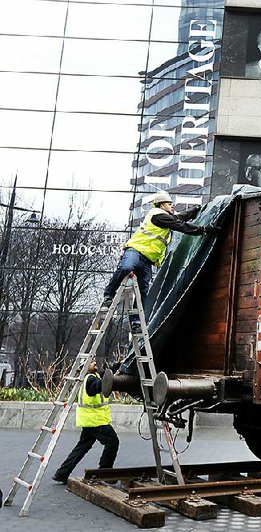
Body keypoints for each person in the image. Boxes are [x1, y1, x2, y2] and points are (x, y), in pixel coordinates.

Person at [101, 191, 217, 332]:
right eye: (169, 203)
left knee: (143, 292)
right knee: (126, 267)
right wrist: (203, 230)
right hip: (135, 251)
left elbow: (178, 219)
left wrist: (194, 211)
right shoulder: (157, 215)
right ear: (161, 205)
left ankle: (136, 322)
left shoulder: (163, 217)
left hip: (147, 260)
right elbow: (180, 225)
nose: (172, 206)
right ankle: (109, 295)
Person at [52, 358, 118, 483]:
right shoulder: (90, 380)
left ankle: (61, 473)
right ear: (84, 367)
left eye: (94, 360)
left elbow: (106, 373)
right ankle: (104, 472)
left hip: (89, 420)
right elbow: (100, 385)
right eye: (91, 362)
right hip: (96, 421)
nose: (94, 362)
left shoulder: (93, 376)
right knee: (112, 442)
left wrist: (119, 366)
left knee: (81, 448)